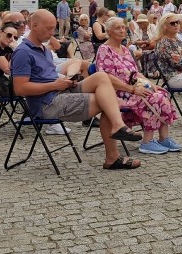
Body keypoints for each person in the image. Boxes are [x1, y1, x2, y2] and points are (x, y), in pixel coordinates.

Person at [11, 10, 143, 170]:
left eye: (54, 28)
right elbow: (20, 88)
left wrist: (65, 81)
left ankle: (117, 126)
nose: (52, 33)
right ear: (33, 25)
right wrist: (55, 85)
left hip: (58, 91)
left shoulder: (44, 50)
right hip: (46, 104)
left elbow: (46, 76)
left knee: (101, 76)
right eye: (48, 29)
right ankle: (113, 156)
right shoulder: (23, 52)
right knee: (107, 102)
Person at [95, 17, 180, 155]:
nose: (122, 30)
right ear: (109, 31)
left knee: (162, 93)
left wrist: (152, 84)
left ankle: (164, 138)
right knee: (152, 98)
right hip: (117, 93)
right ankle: (147, 142)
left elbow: (136, 73)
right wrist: (132, 89)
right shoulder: (105, 50)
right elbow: (106, 77)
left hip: (134, 88)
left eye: (123, 27)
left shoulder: (126, 50)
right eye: (118, 28)